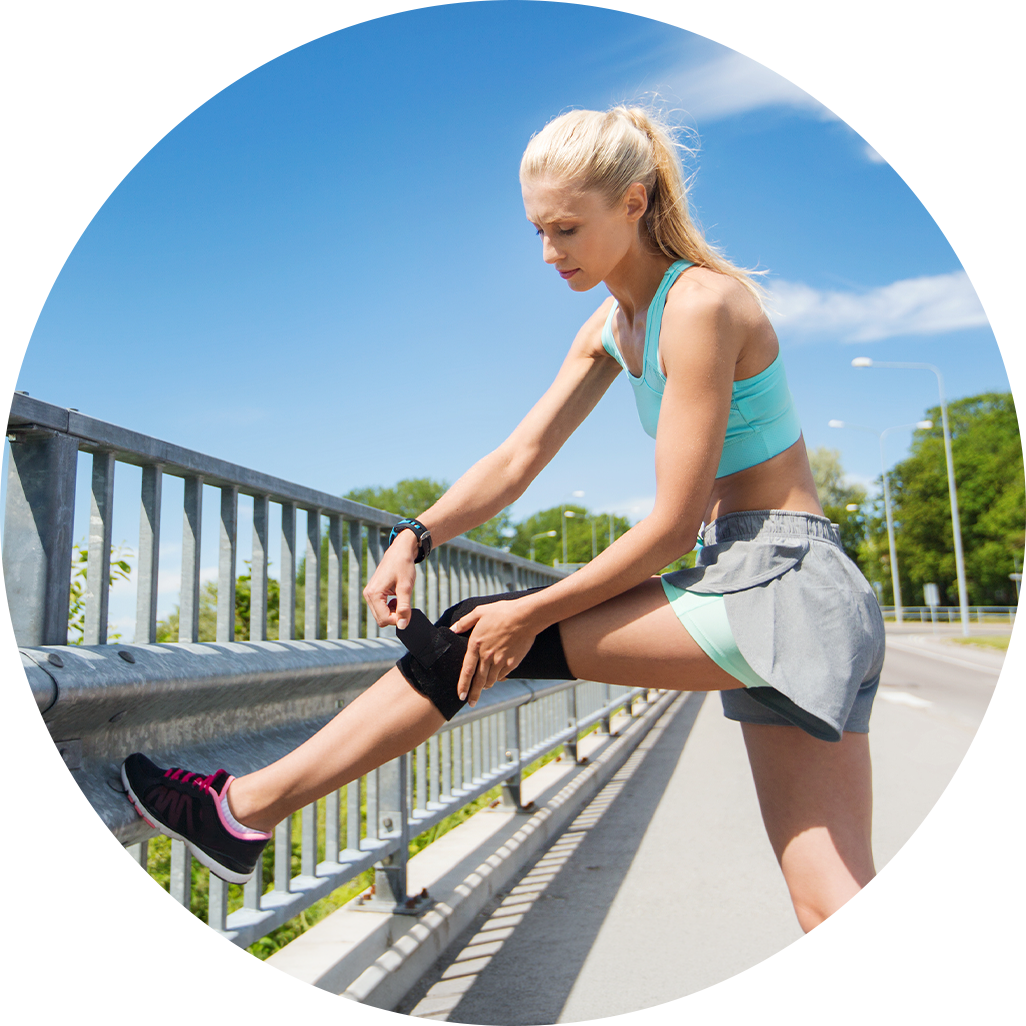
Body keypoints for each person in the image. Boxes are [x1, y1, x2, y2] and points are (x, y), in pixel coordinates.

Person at [123, 105, 903, 976]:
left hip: (780, 583)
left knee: (475, 629)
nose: (549, 253)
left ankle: (244, 809)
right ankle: (245, 813)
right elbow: (519, 456)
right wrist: (413, 535)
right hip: (787, 591)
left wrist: (527, 614)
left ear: (635, 201)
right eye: (538, 230)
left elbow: (671, 526)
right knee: (833, 905)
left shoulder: (702, 305)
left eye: (568, 228)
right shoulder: (613, 326)